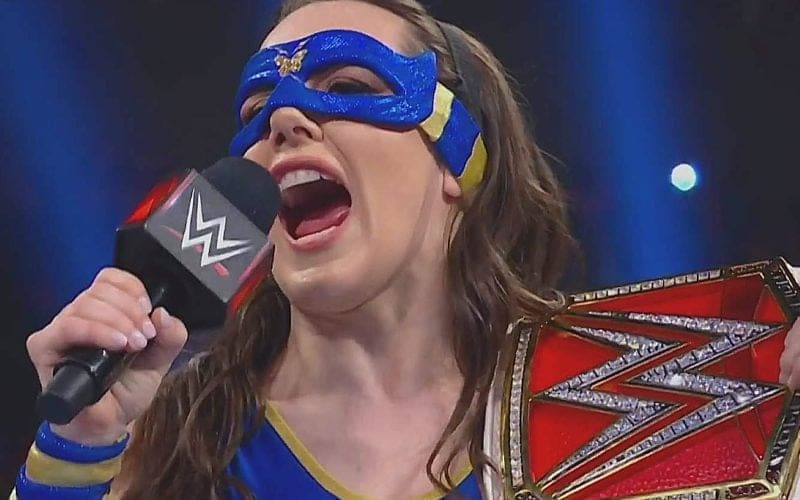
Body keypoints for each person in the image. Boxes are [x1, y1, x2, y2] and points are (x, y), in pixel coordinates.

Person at [15, 0, 800, 499]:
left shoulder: (674, 374)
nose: (283, 120)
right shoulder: (171, 441)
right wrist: (75, 452)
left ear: (457, 160)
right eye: (257, 109)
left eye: (351, 89)